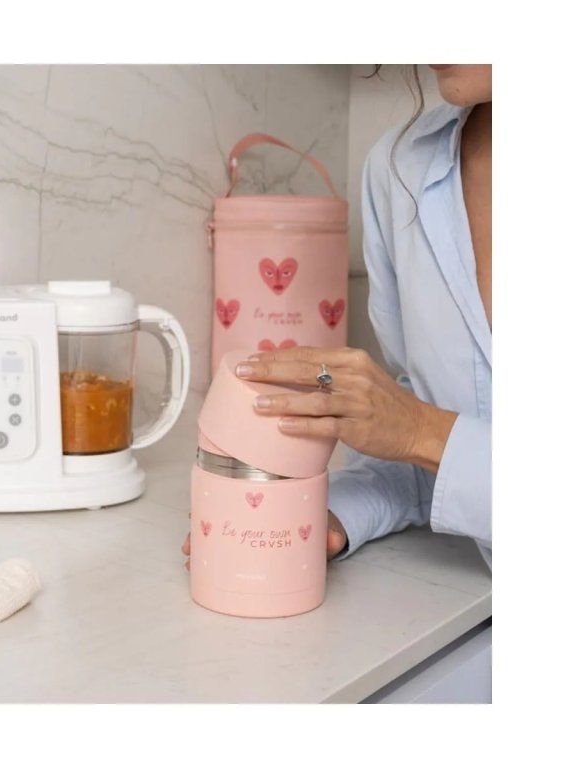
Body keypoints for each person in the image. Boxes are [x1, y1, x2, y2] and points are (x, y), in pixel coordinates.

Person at [184, 64, 492, 569]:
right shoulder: (400, 167)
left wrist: (421, 430)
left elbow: (432, 435)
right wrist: (314, 515)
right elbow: (434, 458)